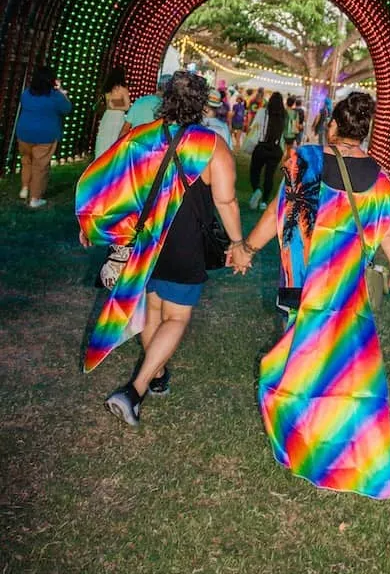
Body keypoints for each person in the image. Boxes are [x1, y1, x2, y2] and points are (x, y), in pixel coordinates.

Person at [233, 92, 390, 500]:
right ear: (364, 132)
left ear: (332, 125)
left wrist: (247, 249)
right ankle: (347, 451)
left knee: (297, 366)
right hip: (347, 301)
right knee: (343, 378)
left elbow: (280, 210)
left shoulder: (306, 160)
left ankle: (304, 442)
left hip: (301, 291)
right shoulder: (382, 184)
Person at [76, 71, 247, 427]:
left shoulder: (140, 137)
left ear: (165, 99)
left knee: (153, 310)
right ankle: (134, 390)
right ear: (201, 104)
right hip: (185, 243)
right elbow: (227, 201)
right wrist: (237, 243)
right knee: (177, 317)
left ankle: (157, 372)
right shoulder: (211, 145)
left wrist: (93, 225)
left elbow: (106, 181)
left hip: (146, 244)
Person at [16, 65, 72, 209]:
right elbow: (67, 108)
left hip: (24, 133)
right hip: (45, 136)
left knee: (26, 161)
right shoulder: (54, 96)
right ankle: (35, 198)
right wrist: (60, 90)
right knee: (40, 167)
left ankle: (25, 188)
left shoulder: (27, 93)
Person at [248, 91, 285, 211]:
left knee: (255, 171)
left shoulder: (262, 112)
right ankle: (264, 201)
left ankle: (257, 190)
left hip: (262, 147)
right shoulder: (283, 116)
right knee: (269, 176)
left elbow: (255, 127)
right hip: (276, 149)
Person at [94, 66, 130, 158]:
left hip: (108, 116)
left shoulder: (107, 89)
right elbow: (127, 107)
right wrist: (118, 105)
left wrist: (113, 105)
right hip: (118, 117)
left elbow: (109, 104)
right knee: (114, 138)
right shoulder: (123, 90)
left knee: (104, 139)